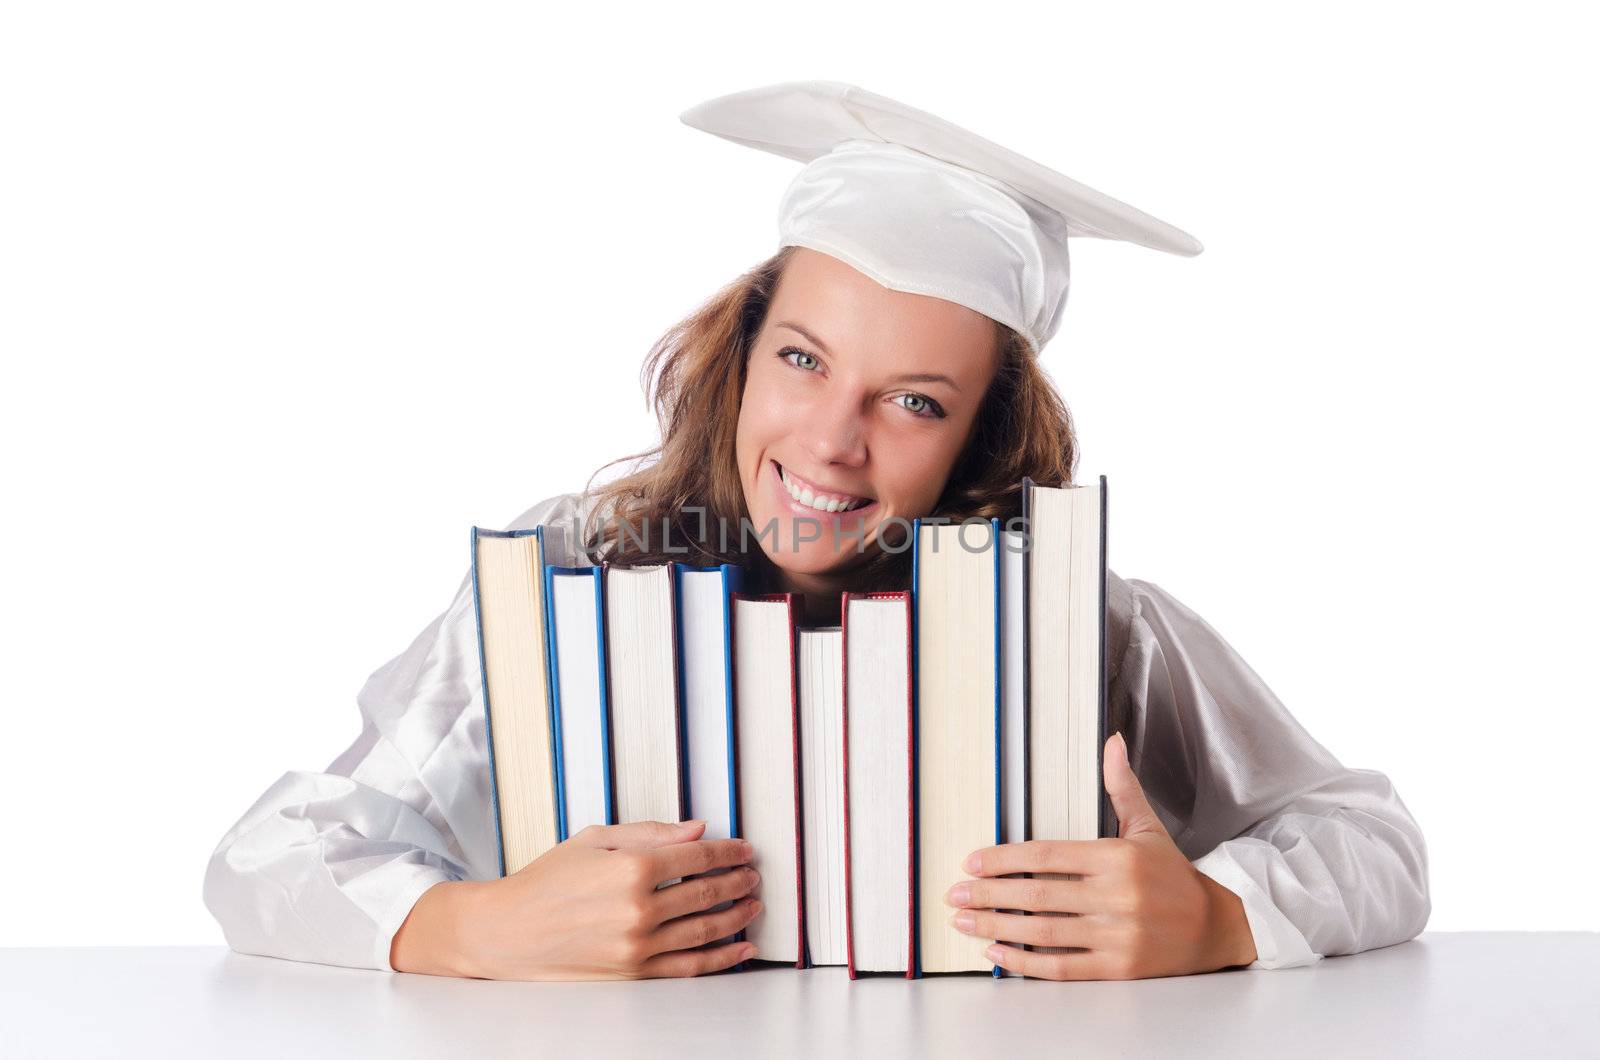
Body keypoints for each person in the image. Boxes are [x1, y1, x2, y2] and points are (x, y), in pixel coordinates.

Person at [203, 81, 1430, 982]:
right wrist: (467, 927)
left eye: (913, 403)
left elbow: (1372, 840)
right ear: (738, 356)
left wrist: (1220, 916)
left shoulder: (1092, 630)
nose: (833, 445)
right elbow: (272, 853)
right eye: (802, 360)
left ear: (982, 437)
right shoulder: (577, 574)